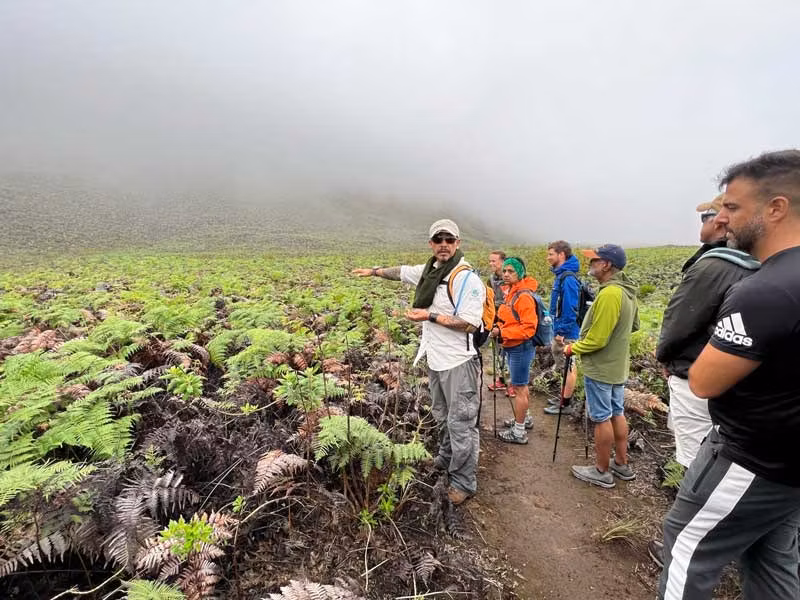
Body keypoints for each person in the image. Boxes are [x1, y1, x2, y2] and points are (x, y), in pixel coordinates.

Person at [658, 150, 800, 600]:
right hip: (789, 470)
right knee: (772, 562)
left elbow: (704, 381)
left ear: (775, 208)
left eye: (733, 207)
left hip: (751, 459)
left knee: (687, 549)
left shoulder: (765, 291)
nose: (722, 218)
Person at [649, 195, 760, 567]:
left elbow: (680, 320)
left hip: (697, 375)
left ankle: (684, 544)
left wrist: (665, 357)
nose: (709, 221)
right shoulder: (759, 264)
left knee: (695, 460)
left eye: (711, 215)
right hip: (733, 381)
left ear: (722, 223)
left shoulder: (716, 265)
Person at [352, 219, 486, 506]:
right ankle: (445, 458)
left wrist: (429, 316)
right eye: (438, 240)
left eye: (449, 240)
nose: (443, 245)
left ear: (458, 243)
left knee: (462, 423)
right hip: (435, 358)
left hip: (459, 362)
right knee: (441, 415)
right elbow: (401, 272)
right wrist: (373, 272)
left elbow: (471, 324)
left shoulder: (466, 279)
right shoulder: (430, 272)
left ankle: (463, 482)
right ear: (431, 244)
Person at [565, 244, 639, 489]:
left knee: (601, 417)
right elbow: (634, 326)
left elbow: (597, 340)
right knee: (617, 412)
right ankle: (621, 464)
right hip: (617, 366)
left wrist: (573, 348)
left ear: (606, 265)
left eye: (594, 260)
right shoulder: (627, 291)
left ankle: (601, 470)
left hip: (602, 367)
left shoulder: (610, 294)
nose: (590, 264)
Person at [489, 257, 539, 443]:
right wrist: (499, 326)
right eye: (505, 271)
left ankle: (519, 432)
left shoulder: (523, 296)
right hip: (514, 346)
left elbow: (528, 329)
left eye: (511, 271)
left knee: (519, 388)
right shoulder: (512, 292)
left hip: (520, 347)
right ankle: (524, 419)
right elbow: (511, 319)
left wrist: (501, 332)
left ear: (520, 273)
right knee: (521, 386)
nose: (506, 274)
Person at [543, 240, 581, 416]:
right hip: (561, 329)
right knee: (564, 366)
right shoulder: (562, 276)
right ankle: (563, 397)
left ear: (561, 255)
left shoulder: (568, 278)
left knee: (569, 366)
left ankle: (566, 404)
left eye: (551, 254)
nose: (548, 257)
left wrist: (562, 332)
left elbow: (571, 307)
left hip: (567, 332)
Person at [487, 250, 509, 392]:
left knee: (509, 350)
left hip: (508, 319)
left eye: (494, 261)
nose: (491, 264)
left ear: (502, 262)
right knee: (498, 350)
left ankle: (511, 383)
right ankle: (501, 380)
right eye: (490, 261)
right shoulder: (491, 279)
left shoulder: (511, 278)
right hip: (495, 317)